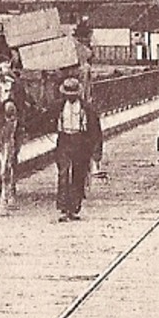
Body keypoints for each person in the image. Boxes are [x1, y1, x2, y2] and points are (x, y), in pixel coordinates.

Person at [55, 74, 102, 221]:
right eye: (68, 94)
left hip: (80, 142)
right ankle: (63, 208)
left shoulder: (86, 109)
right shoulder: (59, 107)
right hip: (64, 141)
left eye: (73, 94)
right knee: (63, 174)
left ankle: (74, 208)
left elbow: (95, 130)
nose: (70, 97)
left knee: (78, 175)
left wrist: (96, 151)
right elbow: (45, 119)